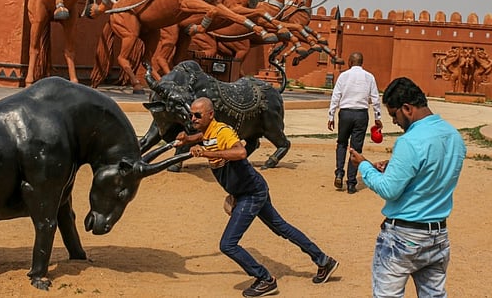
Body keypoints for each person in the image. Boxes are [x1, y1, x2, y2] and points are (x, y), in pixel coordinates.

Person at [176, 97, 338, 297]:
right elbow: (204, 138)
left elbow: (240, 152)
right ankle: (324, 260)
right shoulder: (209, 133)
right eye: (192, 114)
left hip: (251, 193)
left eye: (197, 115)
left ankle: (265, 279)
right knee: (281, 227)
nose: (193, 118)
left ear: (210, 115)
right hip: (249, 190)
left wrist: (205, 154)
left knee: (227, 244)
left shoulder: (222, 132)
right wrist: (189, 139)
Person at [349, 77, 466, 297]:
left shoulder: (410, 141)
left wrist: (364, 166)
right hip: (438, 235)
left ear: (407, 108)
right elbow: (432, 172)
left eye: (394, 114)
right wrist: (395, 167)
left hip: (403, 235)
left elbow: (389, 190)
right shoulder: (454, 136)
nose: (394, 121)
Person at [328, 51, 383, 193]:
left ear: (350, 62)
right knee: (355, 148)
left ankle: (339, 172)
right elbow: (375, 98)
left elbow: (336, 96)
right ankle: (351, 182)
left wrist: (331, 115)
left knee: (341, 143)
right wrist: (377, 117)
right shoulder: (369, 77)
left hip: (345, 113)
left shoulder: (343, 76)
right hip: (361, 114)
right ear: (362, 63)